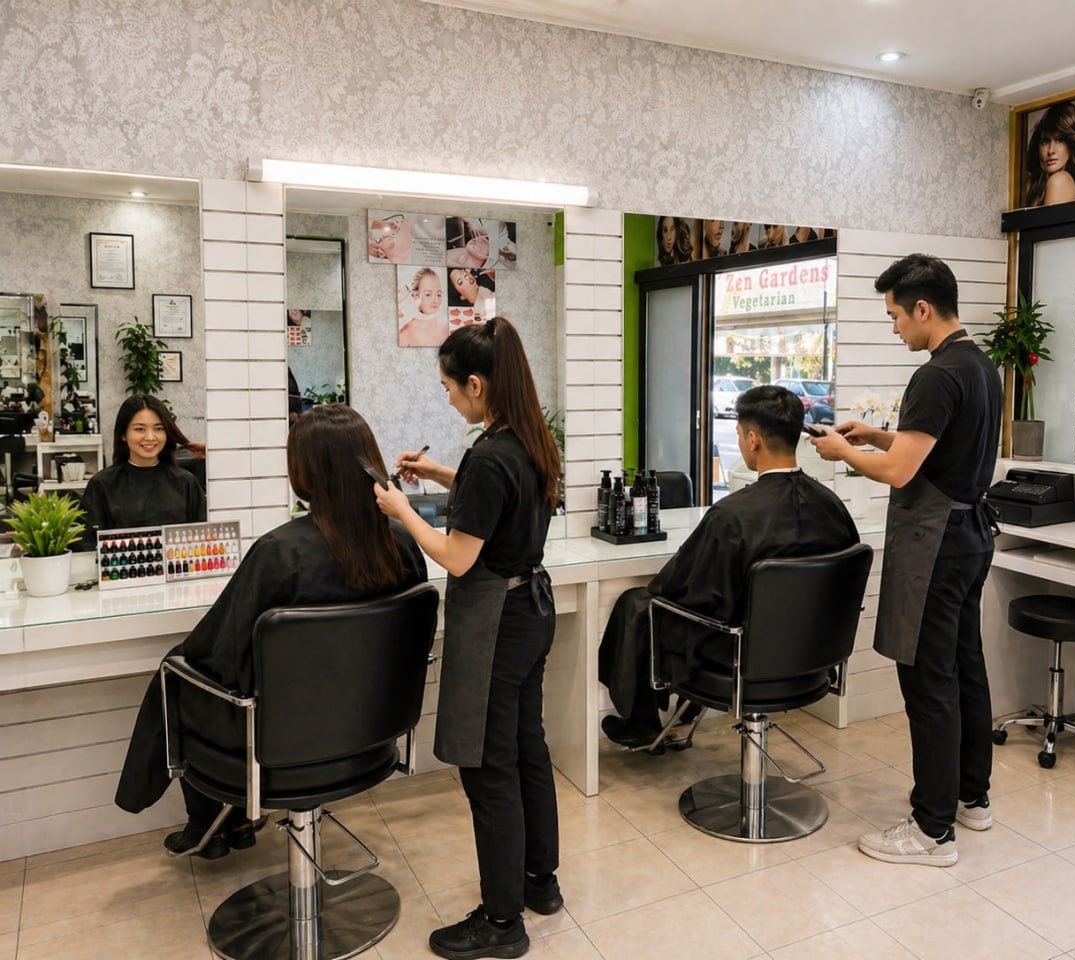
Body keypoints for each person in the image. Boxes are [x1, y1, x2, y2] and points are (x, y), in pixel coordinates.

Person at [113, 405, 427, 859]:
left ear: (301, 470)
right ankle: (231, 818)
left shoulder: (281, 553)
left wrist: (186, 655)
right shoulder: (400, 541)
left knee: (177, 669)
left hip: (279, 748)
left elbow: (219, 653)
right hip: (372, 735)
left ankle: (211, 820)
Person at [374, 317, 561, 960]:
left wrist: (402, 509)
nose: (448, 398)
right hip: (533, 609)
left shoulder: (492, 454)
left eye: (450, 387)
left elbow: (456, 558)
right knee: (527, 747)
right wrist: (442, 473)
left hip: (498, 624)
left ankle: (503, 922)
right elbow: (495, 496)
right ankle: (540, 880)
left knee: (490, 769)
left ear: (477, 384)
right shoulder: (527, 439)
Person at [809, 254, 1001, 867]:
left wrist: (842, 450)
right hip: (972, 533)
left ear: (923, 309)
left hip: (936, 545)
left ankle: (931, 829)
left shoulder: (936, 375)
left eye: (895, 316)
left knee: (928, 677)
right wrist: (876, 434)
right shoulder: (980, 365)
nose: (895, 329)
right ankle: (972, 798)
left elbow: (899, 473)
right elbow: (928, 450)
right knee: (965, 666)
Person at [598, 385, 860, 747]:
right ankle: (677, 718)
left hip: (740, 659)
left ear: (753, 439)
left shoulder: (732, 515)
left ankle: (644, 722)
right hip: (816, 659)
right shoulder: (832, 505)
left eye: (738, 434)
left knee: (642, 604)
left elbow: (677, 588)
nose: (739, 442)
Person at [76, 395, 206, 547]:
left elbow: (201, 541)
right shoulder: (101, 485)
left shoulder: (186, 482)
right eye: (140, 429)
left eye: (158, 428)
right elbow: (87, 546)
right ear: (124, 434)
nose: (150, 437)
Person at [1023, 102, 1075, 206]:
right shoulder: (1035, 184)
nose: (1050, 151)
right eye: (1045, 141)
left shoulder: (1060, 180)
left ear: (1072, 143)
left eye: (1060, 140)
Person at [399, 267, 449, 347]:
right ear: (416, 295)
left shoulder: (446, 326)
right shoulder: (406, 332)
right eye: (428, 294)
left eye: (439, 294)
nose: (435, 300)